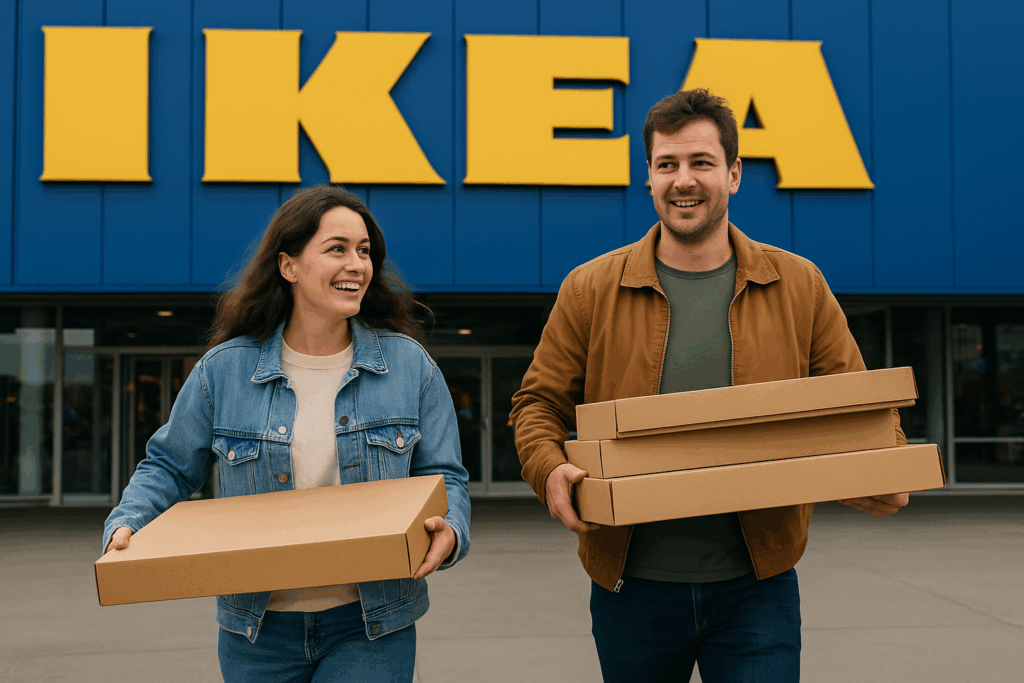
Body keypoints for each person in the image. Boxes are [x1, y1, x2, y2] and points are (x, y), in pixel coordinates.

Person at [510, 88, 909, 682]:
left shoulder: (799, 284)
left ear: (735, 174)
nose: (683, 180)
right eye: (666, 165)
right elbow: (537, 404)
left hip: (758, 588)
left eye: (701, 163)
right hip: (632, 587)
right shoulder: (589, 288)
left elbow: (856, 403)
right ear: (647, 177)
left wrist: (885, 468)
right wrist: (549, 469)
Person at [102, 184, 471, 683]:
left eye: (365, 251)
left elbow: (444, 476)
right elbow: (169, 466)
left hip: (371, 623)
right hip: (257, 630)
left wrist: (450, 531)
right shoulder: (224, 370)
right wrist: (128, 521)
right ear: (288, 265)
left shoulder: (409, 367)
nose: (357, 264)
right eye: (337, 248)